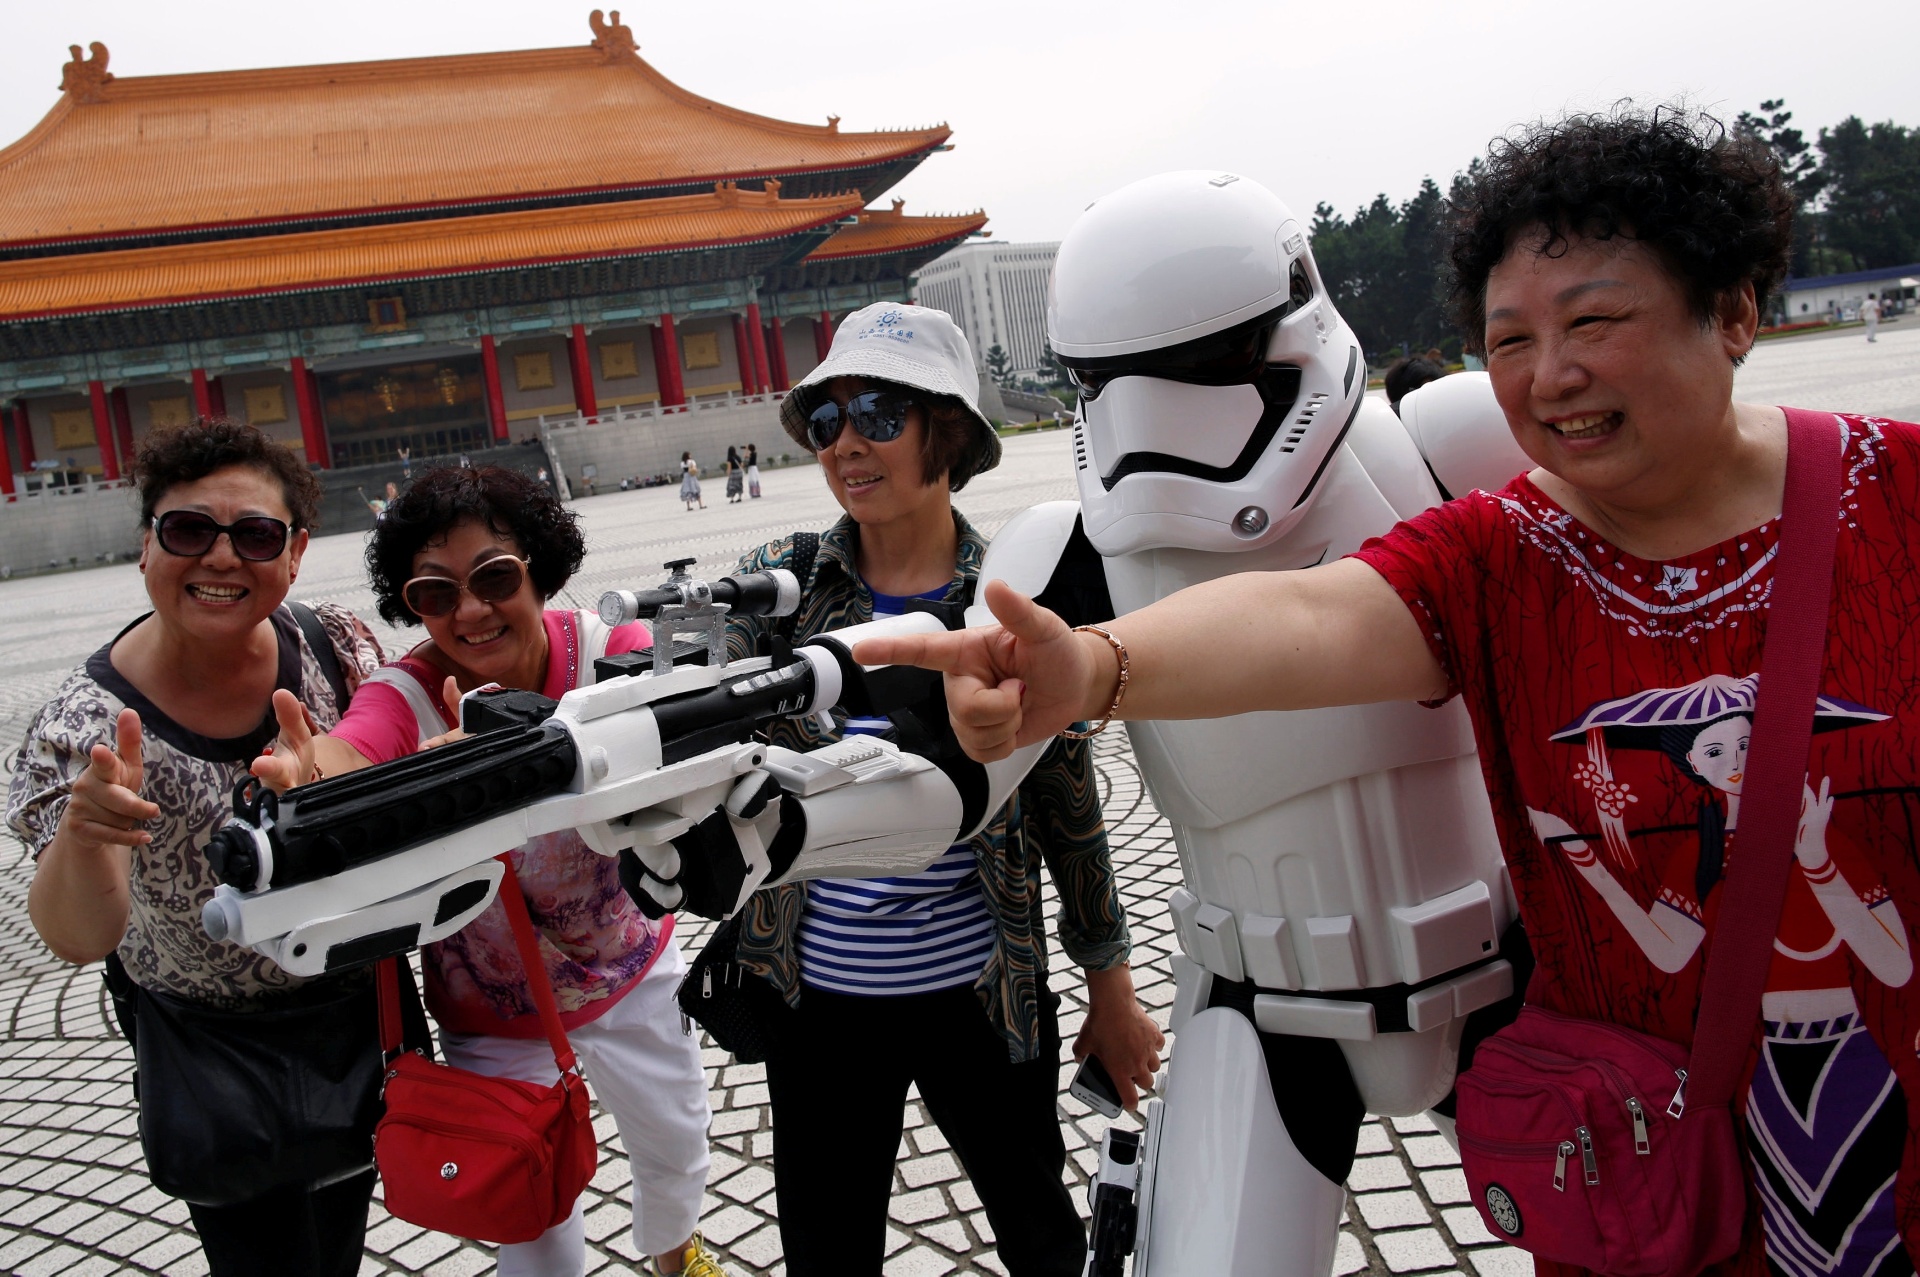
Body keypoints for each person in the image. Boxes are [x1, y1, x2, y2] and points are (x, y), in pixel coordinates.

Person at [864, 110, 1920, 1277]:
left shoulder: (1867, 500)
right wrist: (1089, 668)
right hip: (1491, 1056)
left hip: (1618, 1008)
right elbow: (1314, 619)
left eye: (1595, 321)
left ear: (1733, 310)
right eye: (1511, 336)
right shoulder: (1499, 547)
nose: (1552, 373)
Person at [722, 303, 1163, 1277]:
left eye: (879, 413)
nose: (846, 443)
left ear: (948, 432)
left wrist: (1112, 988)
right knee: (827, 1255)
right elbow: (696, 703)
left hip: (983, 992)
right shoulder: (780, 584)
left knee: (1043, 1238)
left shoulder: (1010, 594)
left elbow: (1069, 809)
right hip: (816, 995)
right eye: (827, 418)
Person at [251, 465, 730, 1277]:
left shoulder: (603, 651)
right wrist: (314, 777)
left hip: (629, 966)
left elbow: (673, 701)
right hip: (495, 1007)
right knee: (526, 1206)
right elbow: (356, 745)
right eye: (436, 593)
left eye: (496, 578)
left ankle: (676, 1257)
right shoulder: (409, 695)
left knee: (677, 1140)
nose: (470, 611)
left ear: (540, 569)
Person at [7, 419, 392, 1277]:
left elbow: (393, 772)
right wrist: (87, 831)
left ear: (295, 552)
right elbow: (79, 934)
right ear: (146, 545)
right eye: (188, 530)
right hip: (208, 1047)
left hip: (352, 1016)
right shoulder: (87, 723)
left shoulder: (332, 648)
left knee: (339, 1237)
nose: (221, 557)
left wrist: (337, 777)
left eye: (254, 535)